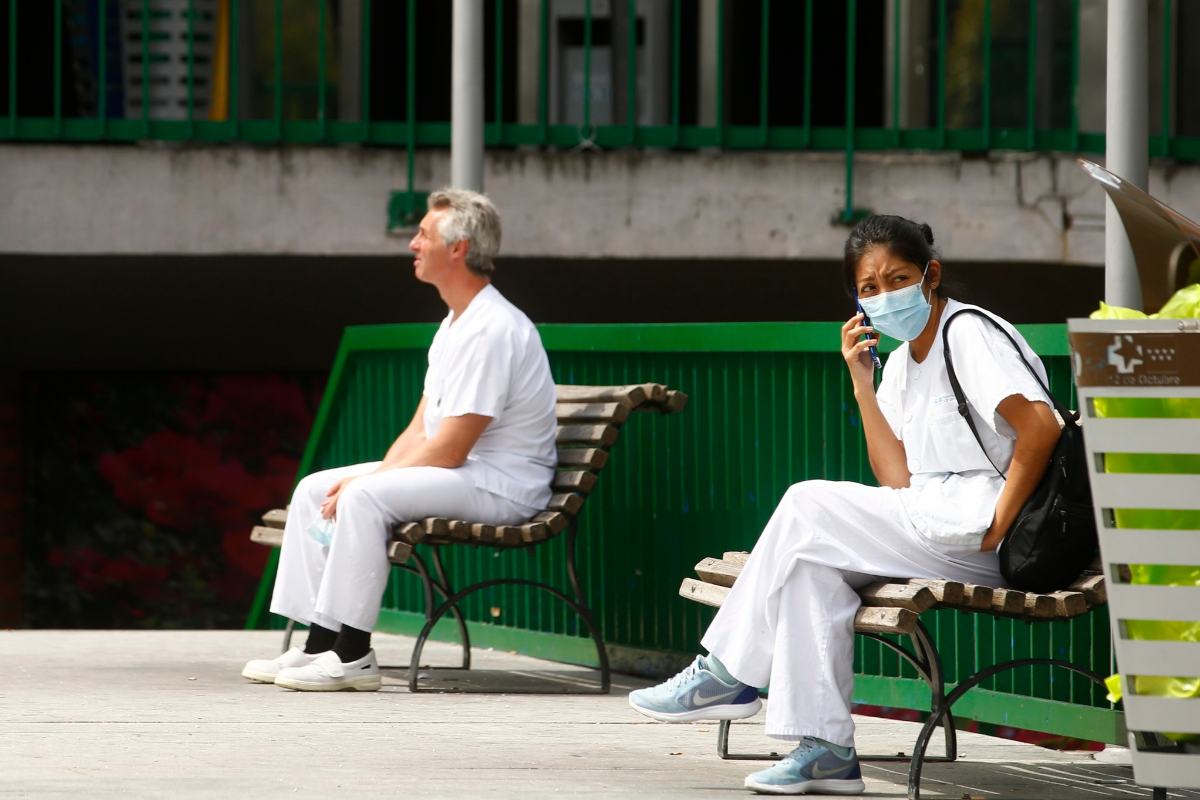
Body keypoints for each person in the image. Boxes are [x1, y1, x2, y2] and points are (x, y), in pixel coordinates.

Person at [628, 215, 1062, 795]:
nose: (884, 296)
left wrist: (1000, 522)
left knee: (805, 504)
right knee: (811, 567)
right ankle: (826, 749)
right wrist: (862, 381)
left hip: (996, 538)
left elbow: (1040, 429)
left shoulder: (968, 333)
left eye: (897, 278)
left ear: (930, 275)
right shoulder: (905, 358)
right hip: (940, 522)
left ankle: (727, 672)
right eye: (869, 288)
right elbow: (897, 476)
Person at [242, 189, 557, 692]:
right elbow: (419, 429)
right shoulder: (455, 323)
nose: (413, 244)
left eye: (424, 235)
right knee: (313, 488)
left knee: (364, 495)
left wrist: (370, 483)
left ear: (459, 248)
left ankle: (352, 655)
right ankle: (318, 644)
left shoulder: (493, 328)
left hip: (504, 484)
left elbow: (451, 448)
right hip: (466, 472)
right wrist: (367, 477)